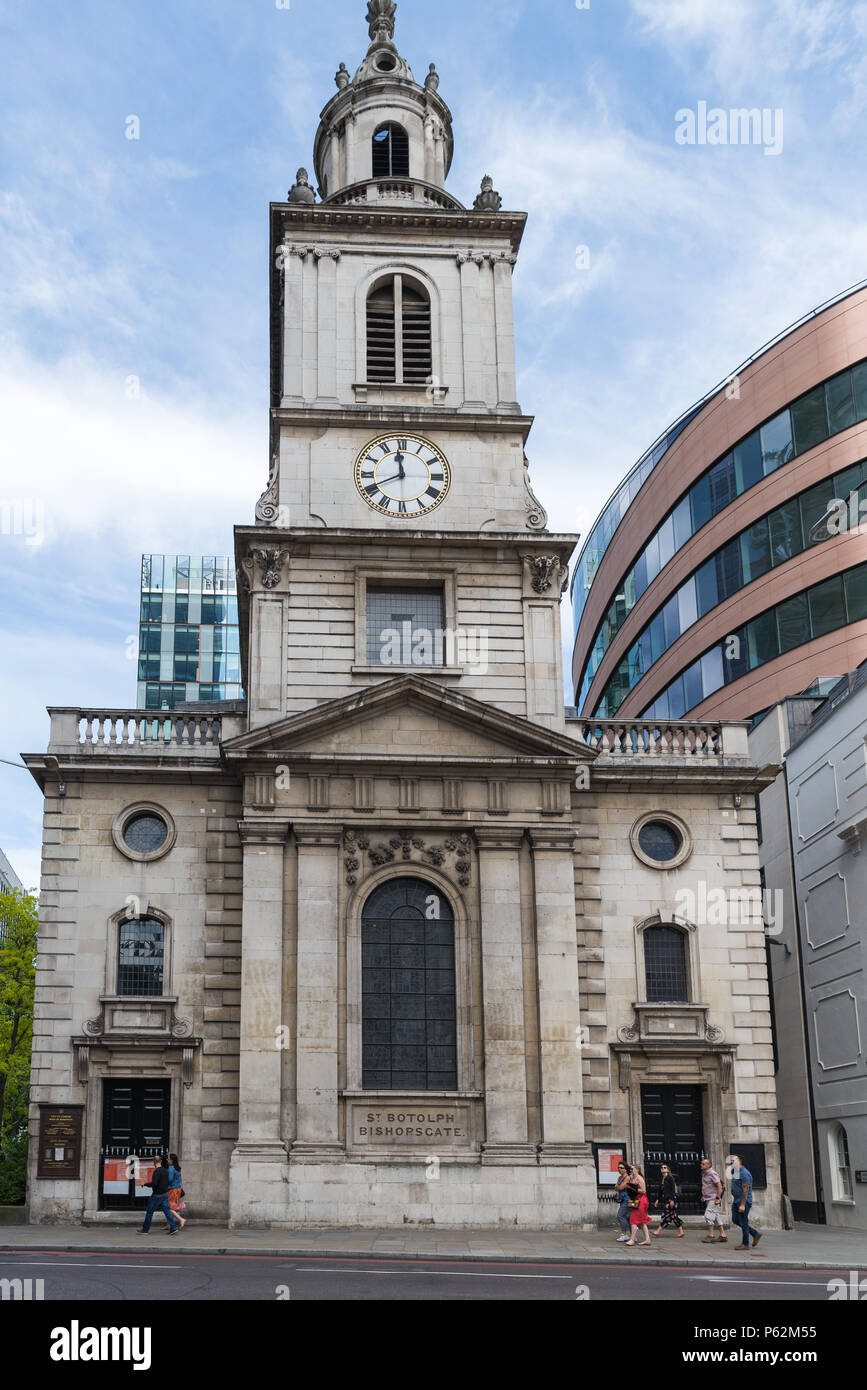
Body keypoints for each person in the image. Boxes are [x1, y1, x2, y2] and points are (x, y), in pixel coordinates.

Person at [138, 1155, 178, 1235]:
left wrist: (145, 1184)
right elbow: (168, 1181)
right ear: (160, 1161)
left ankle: (145, 1230)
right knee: (167, 1211)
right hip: (165, 1194)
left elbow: (154, 1183)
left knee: (149, 1212)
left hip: (157, 1195)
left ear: (154, 1162)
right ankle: (173, 1228)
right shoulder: (165, 1170)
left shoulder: (157, 1171)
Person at [730, 1154, 762, 1250]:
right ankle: (755, 1233)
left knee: (743, 1222)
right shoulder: (736, 1172)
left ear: (739, 1161)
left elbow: (745, 1190)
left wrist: (743, 1204)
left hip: (743, 1201)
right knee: (735, 1220)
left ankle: (745, 1244)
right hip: (736, 1200)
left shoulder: (744, 1173)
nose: (731, 1162)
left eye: (733, 1160)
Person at [652, 1163, 685, 1237]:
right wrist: (657, 1199)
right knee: (673, 1215)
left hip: (671, 1200)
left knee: (667, 1215)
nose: (663, 1168)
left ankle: (658, 1231)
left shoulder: (670, 1178)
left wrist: (672, 1200)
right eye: (662, 1167)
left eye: (665, 1167)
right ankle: (681, 1232)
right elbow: (660, 1191)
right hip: (666, 1200)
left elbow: (673, 1189)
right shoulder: (661, 1179)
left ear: (668, 1170)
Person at [700, 1157, 727, 1243]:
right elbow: (707, 1186)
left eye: (703, 1164)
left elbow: (720, 1187)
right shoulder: (705, 1174)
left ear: (708, 1165)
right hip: (708, 1197)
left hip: (713, 1198)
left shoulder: (712, 1173)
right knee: (716, 1216)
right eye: (701, 1163)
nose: (701, 1165)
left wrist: (718, 1198)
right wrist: (704, 1196)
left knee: (708, 1215)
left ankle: (711, 1235)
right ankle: (723, 1235)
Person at [624, 1166, 652, 1247]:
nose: (631, 1170)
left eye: (632, 1169)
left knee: (633, 1220)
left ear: (637, 1170)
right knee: (642, 1222)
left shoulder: (639, 1178)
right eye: (630, 1169)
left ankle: (632, 1239)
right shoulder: (633, 1178)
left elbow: (644, 1190)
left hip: (641, 1201)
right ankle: (647, 1239)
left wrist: (634, 1188)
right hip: (636, 1200)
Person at [166, 1152, 186, 1232]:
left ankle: (181, 1220)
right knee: (173, 1207)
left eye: (168, 1158)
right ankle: (169, 1225)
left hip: (172, 1190)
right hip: (178, 1189)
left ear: (171, 1160)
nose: (167, 1160)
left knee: (169, 1208)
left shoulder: (171, 1168)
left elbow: (170, 1179)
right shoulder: (178, 1168)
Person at [614, 1161, 632, 1242]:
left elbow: (620, 1187)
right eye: (618, 1168)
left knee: (620, 1216)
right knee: (628, 1218)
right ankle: (632, 1236)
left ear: (625, 1169)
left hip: (627, 1200)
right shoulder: (619, 1178)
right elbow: (616, 1187)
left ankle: (624, 1234)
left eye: (621, 1168)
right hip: (622, 1200)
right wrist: (618, 1186)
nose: (619, 1169)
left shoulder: (627, 1177)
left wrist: (618, 1186)